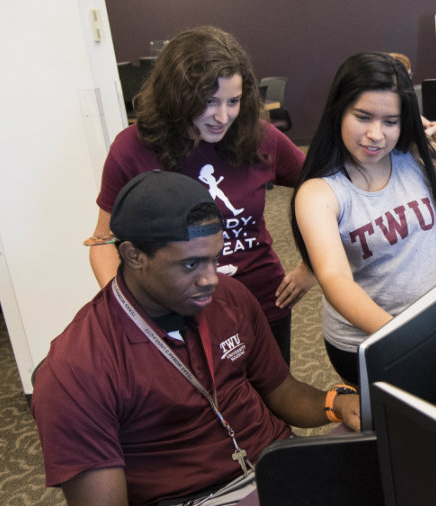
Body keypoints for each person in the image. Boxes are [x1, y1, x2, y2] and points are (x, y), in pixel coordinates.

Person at [33, 171, 361, 506]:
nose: (211, 277)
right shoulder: (77, 367)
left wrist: (337, 403)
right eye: (190, 264)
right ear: (133, 255)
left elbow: (282, 391)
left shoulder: (228, 296)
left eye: (214, 258)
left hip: (276, 464)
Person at [88, 25, 312, 364]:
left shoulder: (260, 136)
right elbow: (104, 244)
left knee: (273, 402)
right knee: (201, 411)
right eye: (208, 102)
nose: (223, 117)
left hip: (262, 299)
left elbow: (327, 191)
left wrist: (313, 266)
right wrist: (129, 311)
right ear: (177, 97)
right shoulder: (131, 148)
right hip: (175, 309)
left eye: (233, 101)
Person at [291, 52, 436, 384]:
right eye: (363, 117)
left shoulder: (424, 157)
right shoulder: (320, 192)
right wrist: (405, 337)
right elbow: (336, 281)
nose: (376, 134)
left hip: (431, 323)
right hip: (369, 340)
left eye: (390, 121)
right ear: (339, 112)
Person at [388, 52, 436, 136]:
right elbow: (412, 142)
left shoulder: (401, 96)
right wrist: (433, 130)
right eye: (408, 75)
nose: (410, 79)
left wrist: (428, 123)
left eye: (410, 75)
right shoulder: (392, 102)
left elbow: (413, 116)